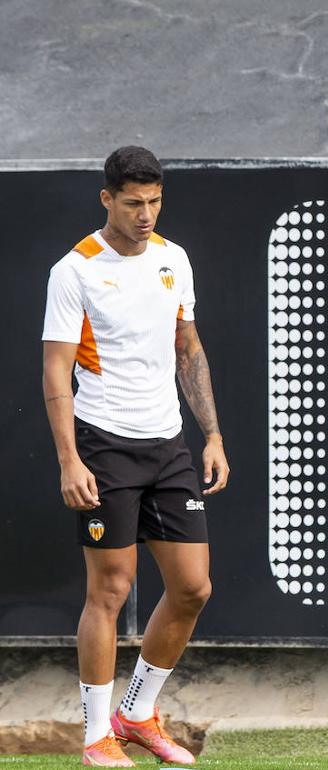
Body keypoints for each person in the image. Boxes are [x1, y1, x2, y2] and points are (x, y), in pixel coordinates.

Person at [42, 146, 230, 767]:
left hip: (168, 444)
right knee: (112, 589)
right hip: (104, 445)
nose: (146, 214)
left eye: (155, 201)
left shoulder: (174, 260)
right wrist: (70, 460)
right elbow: (55, 373)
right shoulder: (75, 270)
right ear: (107, 199)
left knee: (193, 587)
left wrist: (213, 436)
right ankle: (97, 734)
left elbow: (189, 349)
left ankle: (138, 713)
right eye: (133, 203)